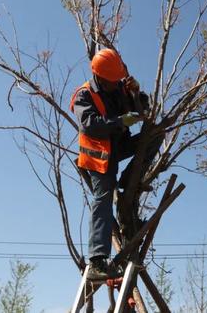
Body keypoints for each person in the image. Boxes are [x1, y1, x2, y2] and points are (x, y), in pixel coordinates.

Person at [69, 48, 148, 280]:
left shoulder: (119, 85)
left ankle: (128, 179)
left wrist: (137, 93)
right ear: (100, 77)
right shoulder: (84, 95)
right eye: (113, 81)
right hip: (99, 157)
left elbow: (142, 110)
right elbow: (90, 125)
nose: (117, 84)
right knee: (102, 198)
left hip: (118, 146)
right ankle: (97, 261)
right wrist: (120, 121)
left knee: (154, 135)